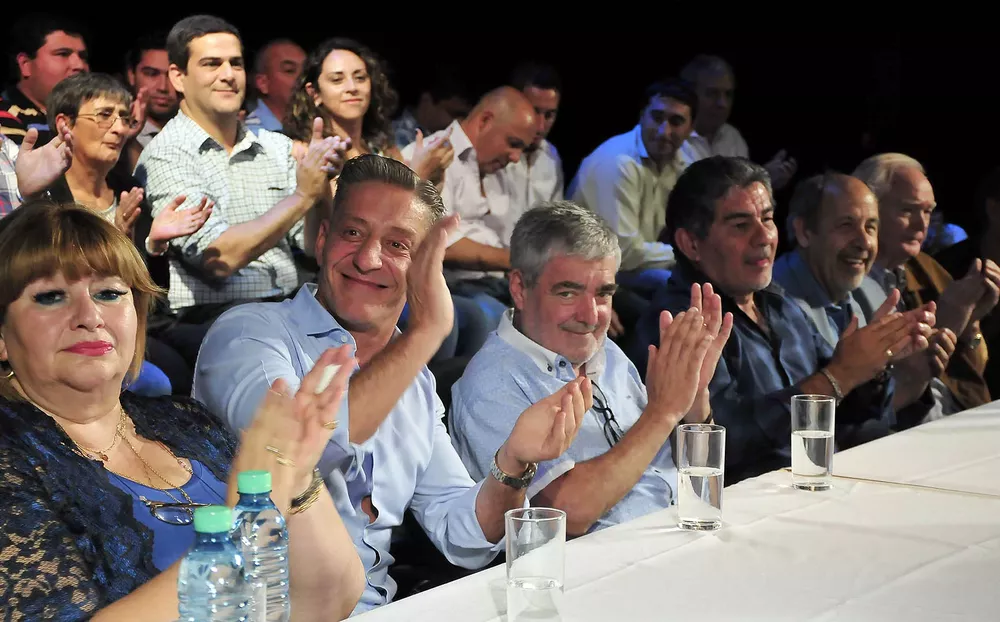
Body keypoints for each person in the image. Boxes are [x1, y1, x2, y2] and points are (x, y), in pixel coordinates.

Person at [193, 155, 589, 614]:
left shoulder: (415, 380)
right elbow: (294, 454)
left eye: (398, 244)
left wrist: (514, 462)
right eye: (352, 233)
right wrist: (426, 333)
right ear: (322, 240)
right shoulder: (248, 334)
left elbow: (461, 535)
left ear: (425, 269)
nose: (367, 259)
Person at [0, 199, 365, 620]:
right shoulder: (11, 462)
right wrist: (245, 522)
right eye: (50, 296)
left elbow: (328, 602)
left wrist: (296, 479)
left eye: (109, 293)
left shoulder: (187, 421)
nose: (89, 315)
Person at [632, 156, 933, 481]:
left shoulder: (778, 302)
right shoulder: (677, 324)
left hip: (817, 485)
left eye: (767, 219)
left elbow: (845, 416)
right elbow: (722, 444)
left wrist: (873, 364)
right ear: (691, 243)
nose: (764, 237)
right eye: (741, 225)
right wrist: (840, 375)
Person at [451, 201, 732, 536]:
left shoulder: (607, 352)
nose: (590, 316)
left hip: (680, 534)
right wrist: (662, 413)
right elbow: (566, 514)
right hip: (610, 561)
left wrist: (694, 400)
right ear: (519, 289)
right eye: (568, 293)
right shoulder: (491, 384)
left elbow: (699, 486)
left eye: (603, 295)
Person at [854, 153, 997, 417]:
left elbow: (971, 373)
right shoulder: (845, 279)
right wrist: (947, 322)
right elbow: (870, 396)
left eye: (928, 211)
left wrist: (971, 324)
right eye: (907, 210)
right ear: (869, 210)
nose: (921, 224)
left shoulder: (928, 268)